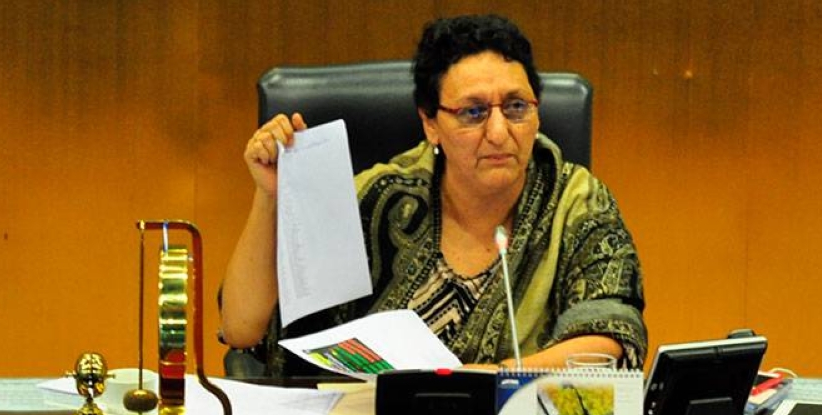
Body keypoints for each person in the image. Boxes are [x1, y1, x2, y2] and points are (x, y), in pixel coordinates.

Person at [221, 14, 647, 376]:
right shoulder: (378, 200)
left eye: (516, 106)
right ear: (430, 124)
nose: (499, 132)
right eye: (473, 112)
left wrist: (488, 383)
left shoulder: (577, 202)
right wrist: (271, 197)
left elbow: (609, 340)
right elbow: (243, 330)